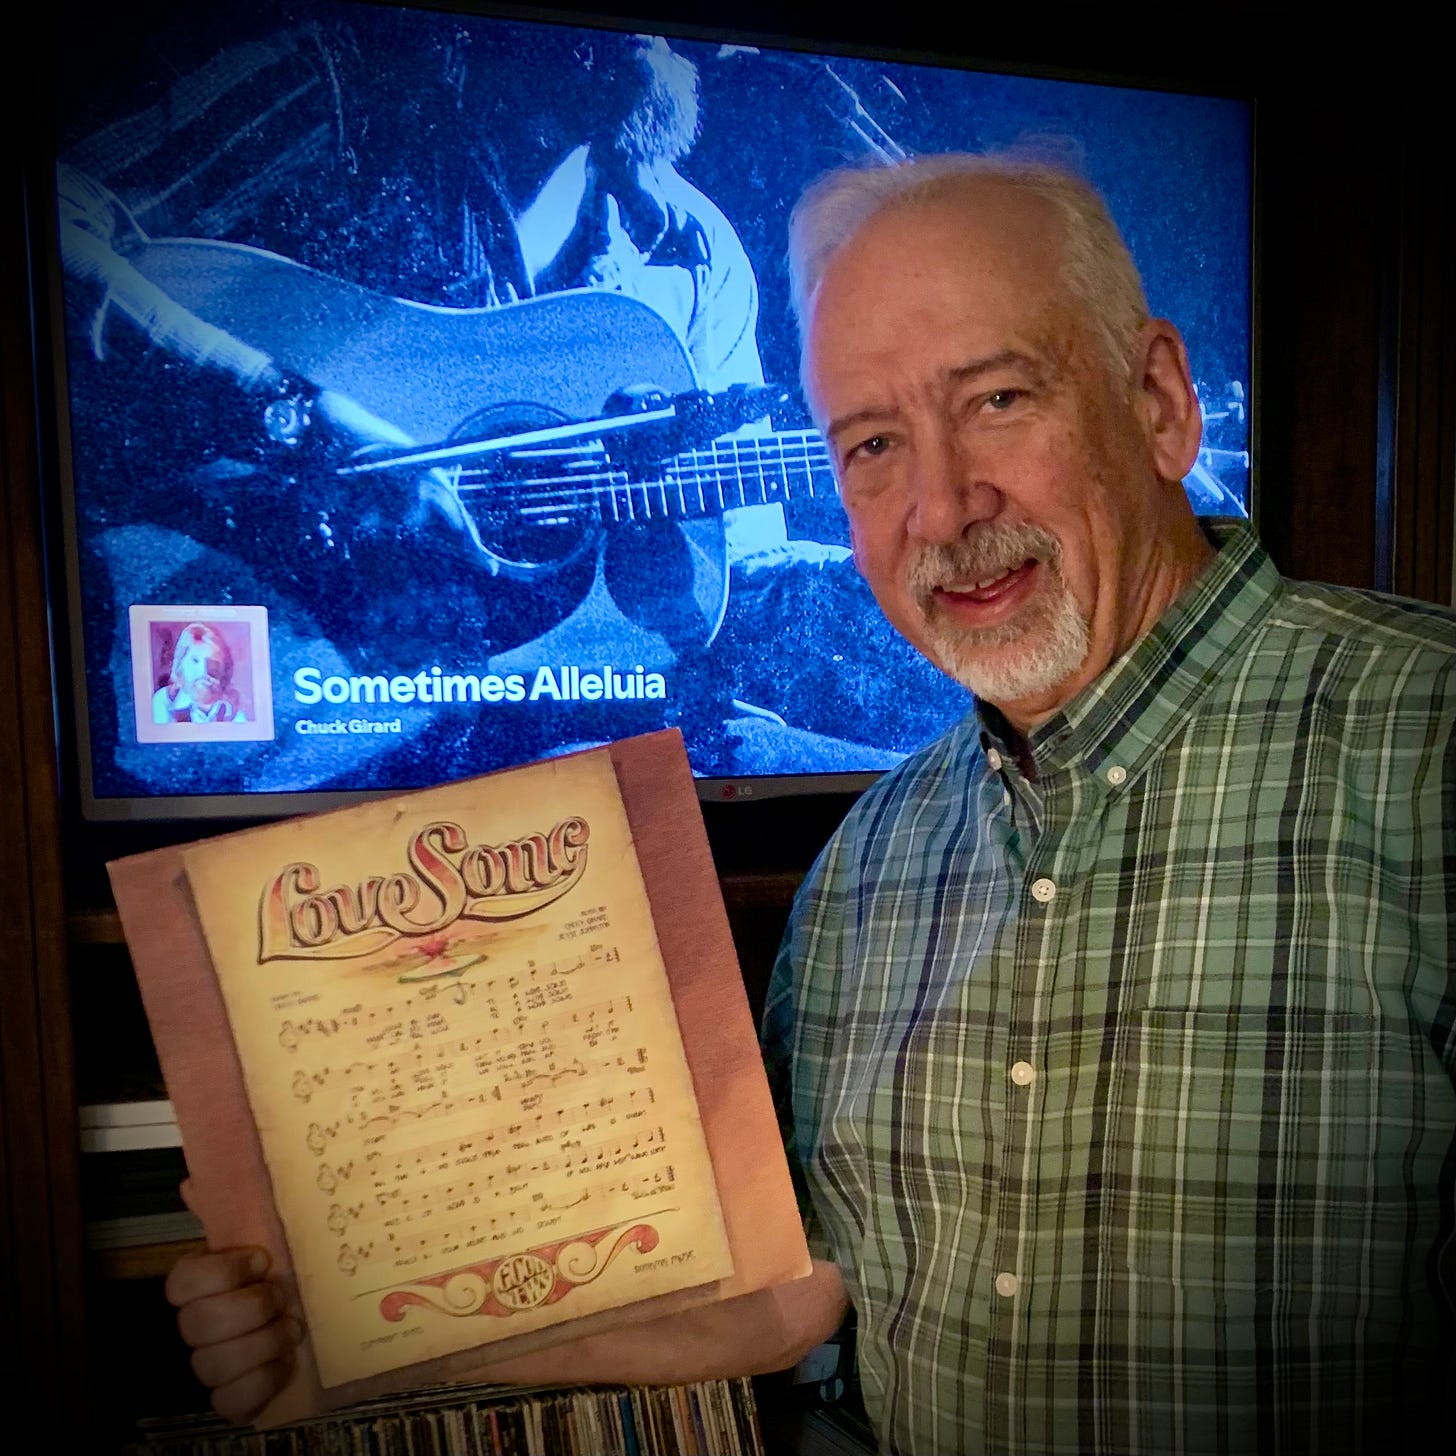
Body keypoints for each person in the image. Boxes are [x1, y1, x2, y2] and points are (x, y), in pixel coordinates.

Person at [164, 152, 1456, 1451]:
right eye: (875, 445)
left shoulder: (1431, 742)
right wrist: (343, 1350)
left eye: (999, 398)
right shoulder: (861, 870)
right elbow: (781, 1293)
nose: (942, 508)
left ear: (1162, 404)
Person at [151, 622, 248, 725]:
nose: (203, 671)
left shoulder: (233, 707)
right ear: (180, 665)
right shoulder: (165, 700)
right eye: (195, 661)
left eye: (213, 664)